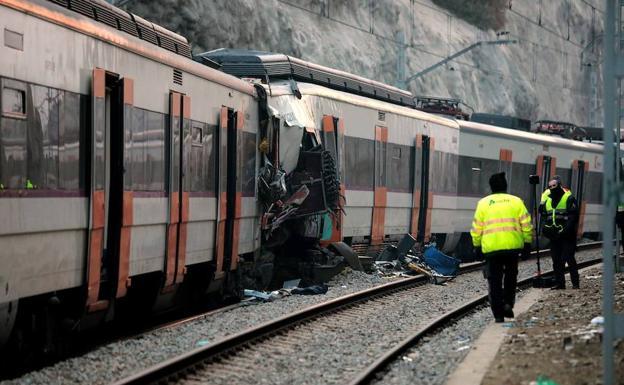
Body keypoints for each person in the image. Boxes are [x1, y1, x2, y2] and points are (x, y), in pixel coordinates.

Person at [471, 172, 533, 323]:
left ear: (491, 186)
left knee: (494, 281)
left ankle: (498, 314)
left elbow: (476, 228)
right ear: (505, 186)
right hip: (512, 249)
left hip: (492, 250)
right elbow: (526, 225)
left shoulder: (483, 203)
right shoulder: (516, 201)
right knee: (511, 278)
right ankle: (508, 304)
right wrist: (527, 244)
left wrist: (477, 246)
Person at [540, 177, 580, 289]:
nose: (552, 188)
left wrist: (565, 230)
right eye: (550, 186)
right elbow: (544, 216)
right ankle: (560, 283)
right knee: (556, 260)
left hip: (568, 235)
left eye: (554, 185)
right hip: (554, 235)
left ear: (559, 185)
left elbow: (573, 217)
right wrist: (545, 229)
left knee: (568, 258)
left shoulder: (569, 198)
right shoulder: (548, 200)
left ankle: (575, 283)